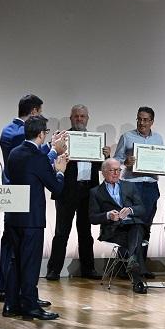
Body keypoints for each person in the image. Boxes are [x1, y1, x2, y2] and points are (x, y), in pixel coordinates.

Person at [2, 115, 68, 320]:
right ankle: (30, 306)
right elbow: (56, 188)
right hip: (32, 221)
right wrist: (60, 171)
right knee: (30, 265)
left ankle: (11, 305)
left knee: (15, 262)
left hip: (13, 217)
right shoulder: (37, 157)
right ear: (41, 134)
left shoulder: (14, 153)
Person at [47, 105, 110, 281]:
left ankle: (88, 269)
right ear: (71, 118)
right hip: (67, 191)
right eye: (76, 116)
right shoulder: (63, 139)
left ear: (87, 118)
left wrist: (105, 156)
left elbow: (99, 168)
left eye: (82, 116)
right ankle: (54, 270)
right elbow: (54, 163)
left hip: (88, 192)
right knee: (61, 232)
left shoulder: (94, 140)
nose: (79, 119)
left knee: (85, 232)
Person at [114, 106, 165, 278]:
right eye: (139, 119)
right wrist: (126, 161)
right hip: (132, 185)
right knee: (130, 226)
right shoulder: (127, 137)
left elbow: (160, 162)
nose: (142, 122)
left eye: (146, 119)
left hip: (150, 186)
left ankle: (141, 266)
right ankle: (125, 266)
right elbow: (116, 160)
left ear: (152, 121)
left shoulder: (158, 138)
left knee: (146, 226)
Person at [89, 158, 148, 294]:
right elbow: (92, 218)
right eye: (112, 170)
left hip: (132, 225)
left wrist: (131, 210)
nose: (116, 173)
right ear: (103, 172)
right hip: (113, 230)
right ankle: (136, 272)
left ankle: (137, 278)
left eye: (118, 170)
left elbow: (142, 208)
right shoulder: (95, 192)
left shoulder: (129, 186)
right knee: (135, 240)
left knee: (137, 229)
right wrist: (108, 215)